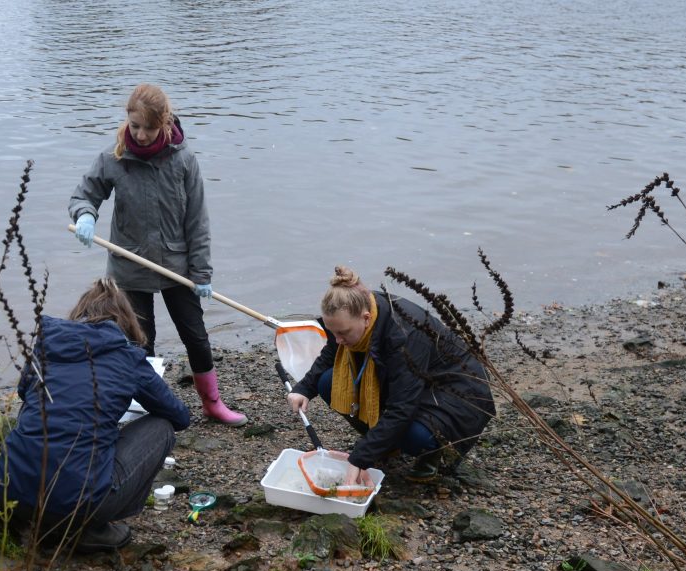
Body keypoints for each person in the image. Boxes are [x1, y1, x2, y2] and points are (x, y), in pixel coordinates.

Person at [68, 83, 247, 426]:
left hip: (177, 266)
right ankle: (147, 410)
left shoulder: (183, 160)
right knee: (139, 344)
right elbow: (84, 194)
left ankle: (212, 403)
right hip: (129, 265)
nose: (142, 134)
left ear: (164, 122)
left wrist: (202, 274)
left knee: (195, 335)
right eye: (135, 126)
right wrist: (85, 215)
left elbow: (197, 221)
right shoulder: (114, 157)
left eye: (149, 128)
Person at [0, 278, 190, 552]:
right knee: (161, 426)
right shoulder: (126, 356)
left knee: (28, 419)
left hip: (11, 494)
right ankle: (90, 528)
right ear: (125, 321)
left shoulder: (44, 347)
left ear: (79, 313)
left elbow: (24, 392)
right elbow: (179, 416)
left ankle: (32, 523)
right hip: (80, 505)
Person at [287, 266, 495, 485]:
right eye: (333, 332)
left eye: (343, 333)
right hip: (414, 381)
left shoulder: (403, 336)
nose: (338, 340)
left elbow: (402, 407)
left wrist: (359, 457)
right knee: (328, 382)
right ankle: (385, 443)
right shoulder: (353, 313)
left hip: (456, 394)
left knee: (414, 436)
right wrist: (304, 388)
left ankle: (433, 453)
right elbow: (332, 351)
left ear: (366, 318)